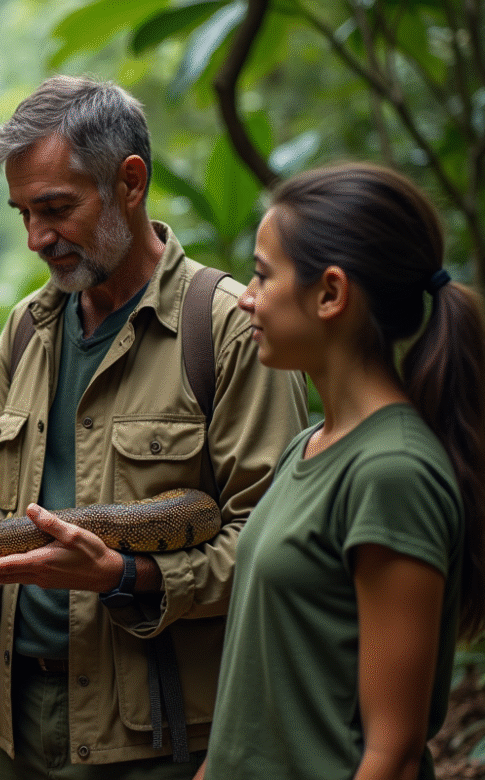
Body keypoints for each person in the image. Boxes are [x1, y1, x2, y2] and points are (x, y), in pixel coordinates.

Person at [0, 75, 308, 779]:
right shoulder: (28, 329)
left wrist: (129, 575)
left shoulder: (229, 328)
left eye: (56, 208)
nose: (36, 237)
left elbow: (275, 548)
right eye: (22, 213)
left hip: (161, 737)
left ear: (129, 182)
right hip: (20, 719)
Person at [196, 163, 485, 780]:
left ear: (331, 293)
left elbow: (393, 755)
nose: (246, 295)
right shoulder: (309, 445)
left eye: (263, 274)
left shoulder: (393, 472)